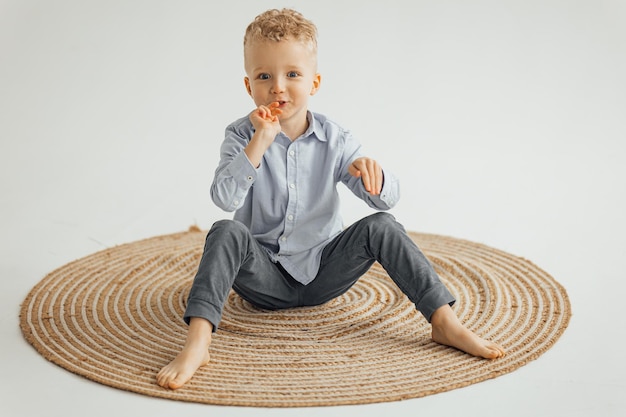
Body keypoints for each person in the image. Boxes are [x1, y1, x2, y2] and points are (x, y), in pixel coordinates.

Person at [157, 8, 504, 390]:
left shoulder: (336, 139)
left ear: (315, 82)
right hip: (264, 279)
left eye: (292, 74)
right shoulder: (240, 135)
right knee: (225, 231)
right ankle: (198, 343)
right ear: (248, 86)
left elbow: (385, 203)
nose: (278, 87)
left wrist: (375, 177)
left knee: (382, 227)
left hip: (323, 272)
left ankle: (444, 322)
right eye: (264, 76)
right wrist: (261, 141)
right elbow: (223, 198)